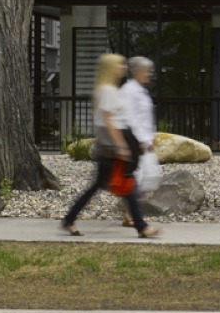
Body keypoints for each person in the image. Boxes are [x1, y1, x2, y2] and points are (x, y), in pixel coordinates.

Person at [59, 53, 155, 237]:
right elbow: (109, 122)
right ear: (111, 68)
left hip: (108, 148)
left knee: (107, 186)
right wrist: (121, 146)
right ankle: (142, 227)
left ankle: (69, 219)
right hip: (111, 149)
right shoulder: (108, 91)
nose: (124, 68)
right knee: (128, 186)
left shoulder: (107, 89)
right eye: (120, 65)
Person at [120, 56, 158, 207]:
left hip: (141, 140)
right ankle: (130, 212)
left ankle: (130, 210)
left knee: (143, 177)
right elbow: (131, 118)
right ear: (137, 72)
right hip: (134, 141)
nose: (149, 74)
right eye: (146, 71)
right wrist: (143, 141)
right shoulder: (129, 91)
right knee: (136, 176)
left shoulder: (140, 90)